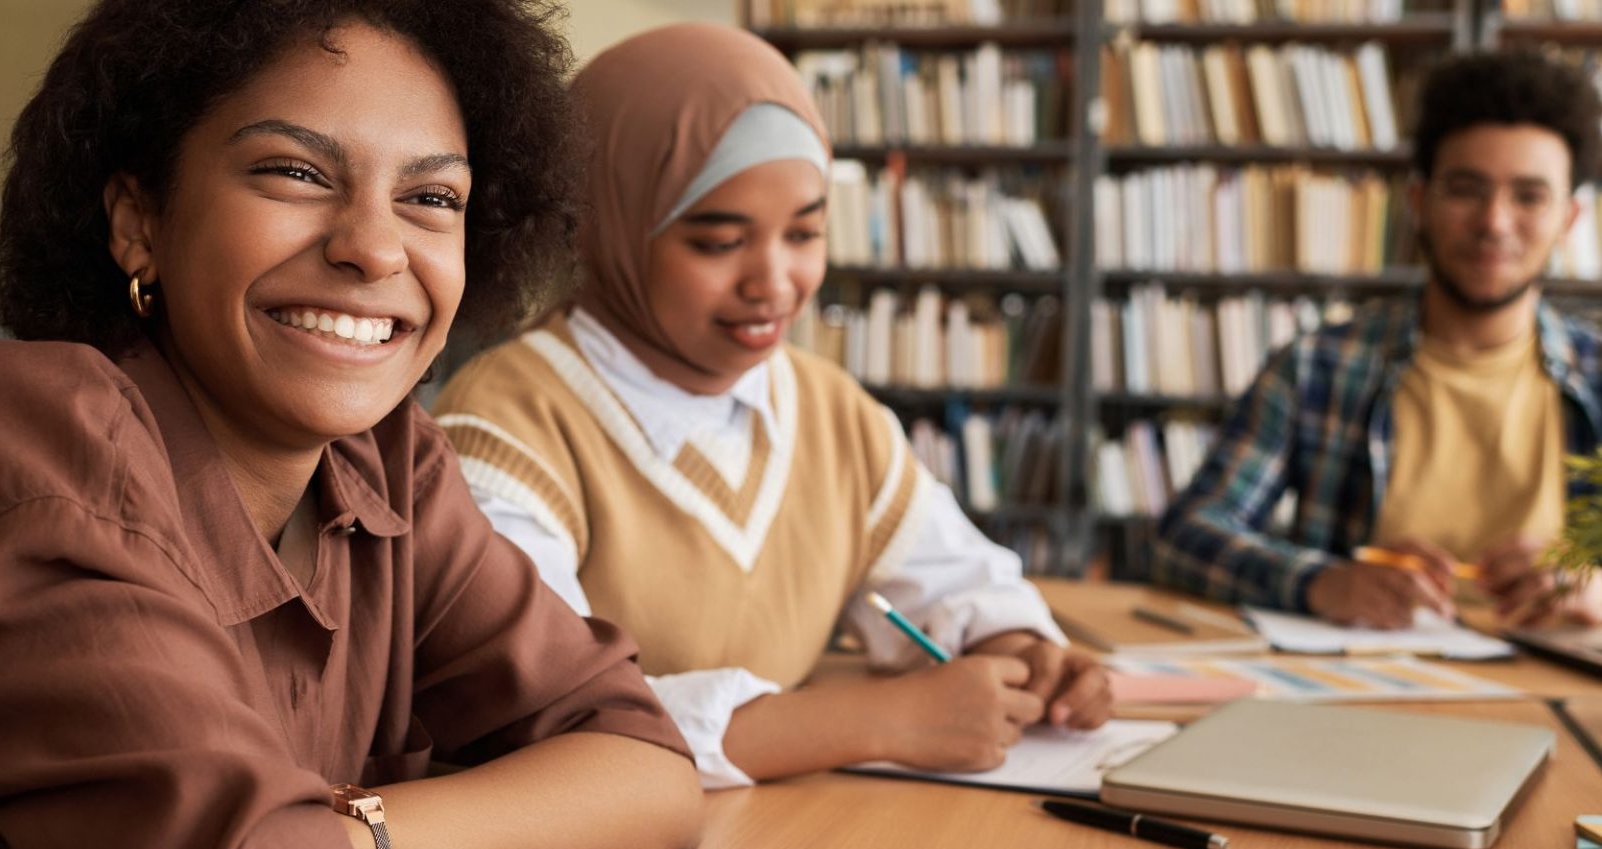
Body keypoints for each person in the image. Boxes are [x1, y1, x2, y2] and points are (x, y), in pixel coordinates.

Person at [0, 2, 703, 849]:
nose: (375, 246)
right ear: (139, 221)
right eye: (295, 174)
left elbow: (646, 771)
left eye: (431, 197)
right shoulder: (20, 440)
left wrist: (360, 833)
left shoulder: (388, 463)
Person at [431, 23, 1111, 792]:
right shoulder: (506, 425)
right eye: (719, 242)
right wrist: (885, 721)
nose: (776, 282)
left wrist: (1022, 647)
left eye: (806, 232)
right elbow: (549, 714)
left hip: (768, 838)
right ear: (606, 228)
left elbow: (955, 580)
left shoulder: (828, 409)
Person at [1154, 49, 1602, 630]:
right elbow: (1184, 536)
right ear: (1419, 203)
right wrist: (1322, 582)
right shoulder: (1316, 367)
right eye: (1466, 189)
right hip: (1361, 687)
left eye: (1528, 196)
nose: (1494, 221)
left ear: (1568, 219)